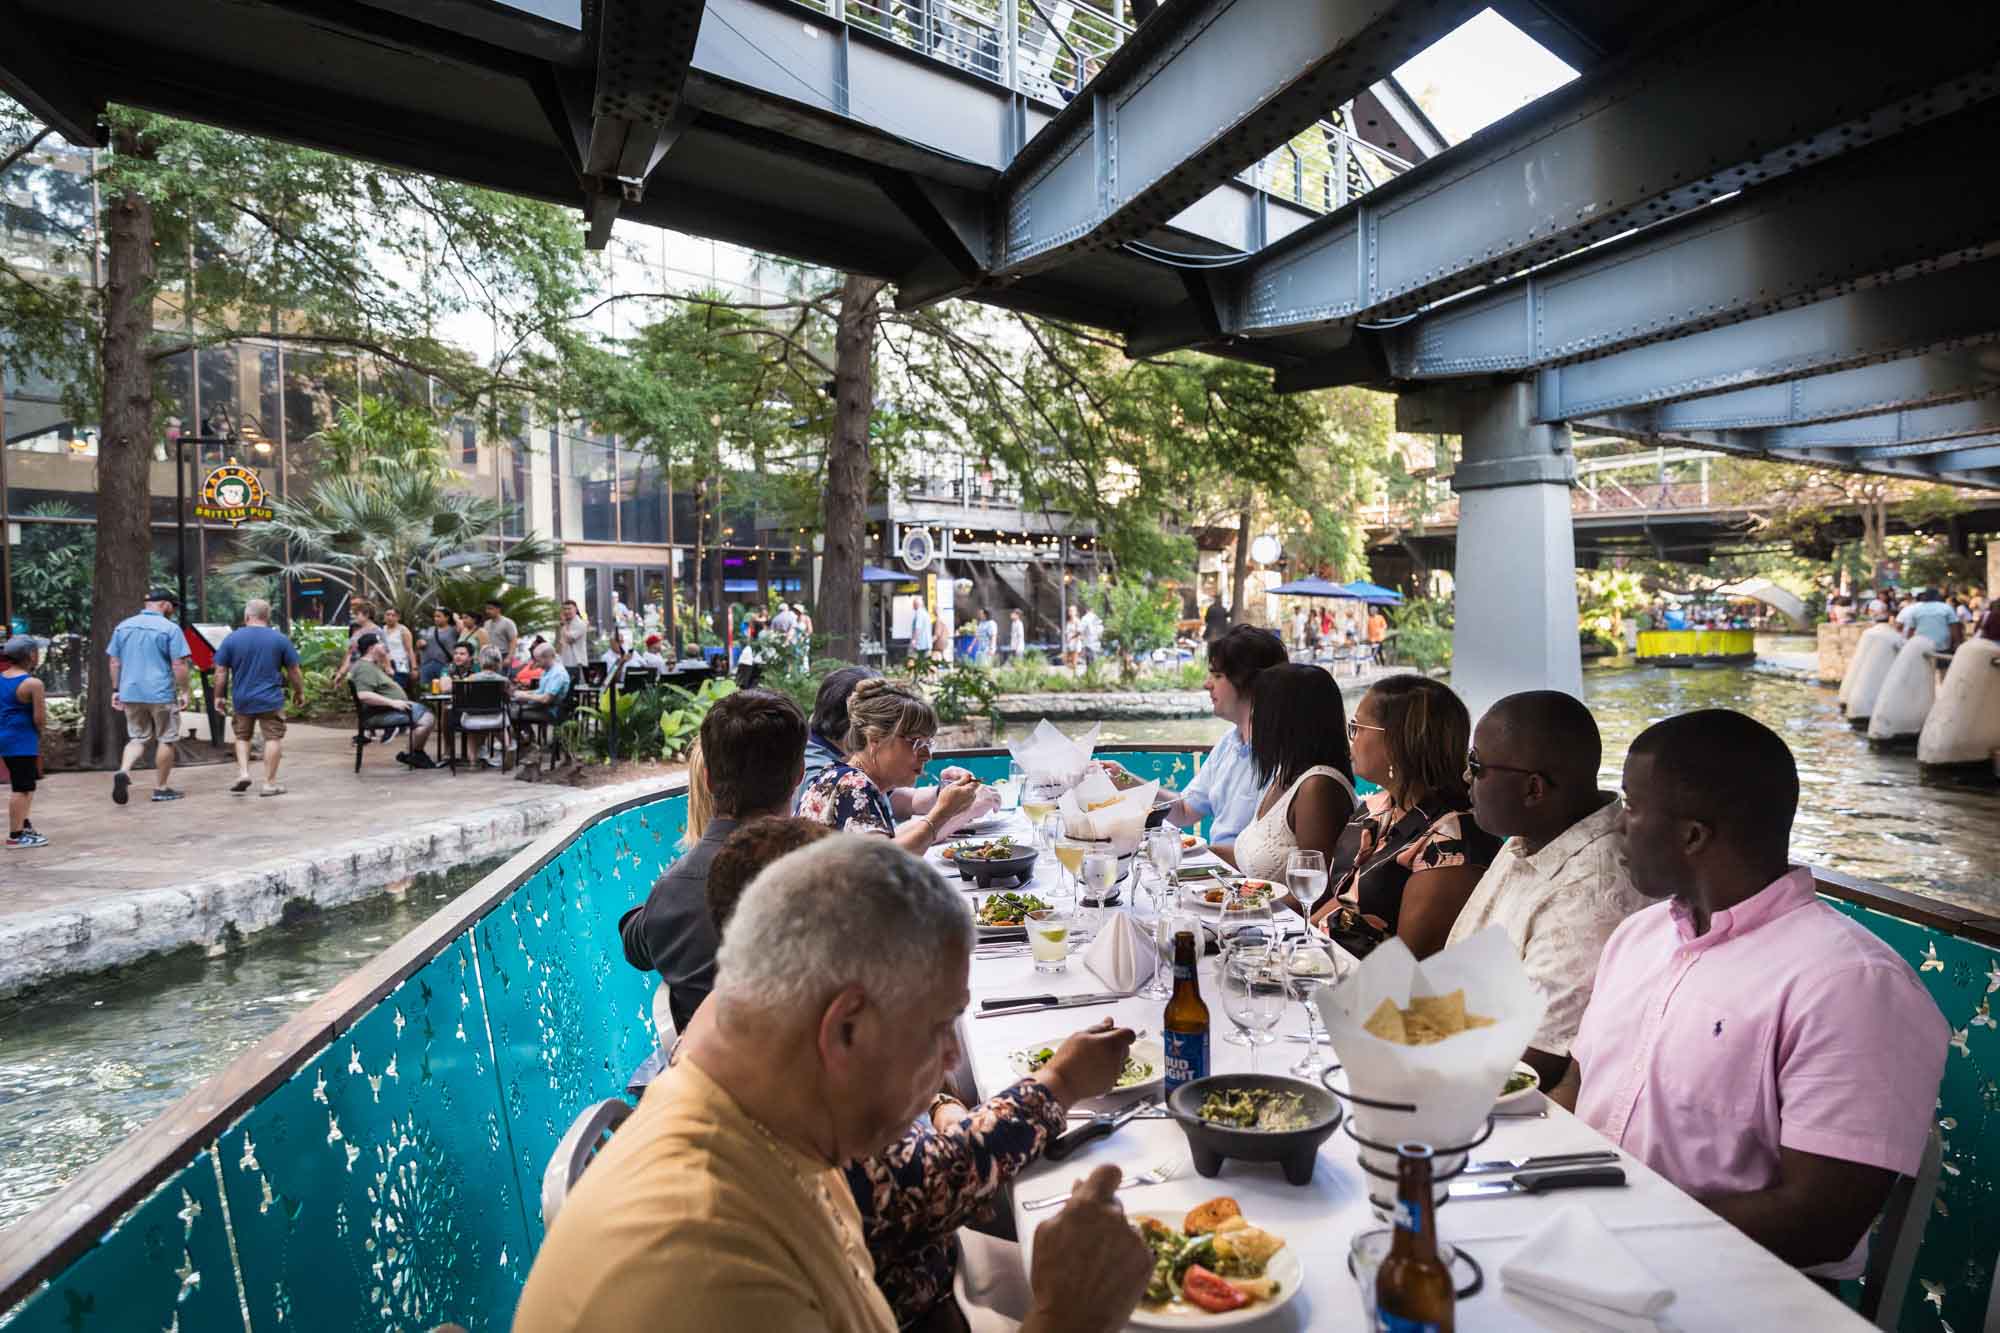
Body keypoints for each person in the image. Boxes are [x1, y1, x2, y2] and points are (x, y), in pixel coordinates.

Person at [519, 836, 1153, 1333]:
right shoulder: (702, 1267)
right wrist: (1068, 1319)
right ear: (845, 1028)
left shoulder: (769, 1110)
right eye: (938, 1028)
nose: (953, 1055)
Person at [698, 818, 1139, 1332]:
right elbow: (922, 1182)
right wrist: (1065, 1315)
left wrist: (933, 1103)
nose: (952, 1055)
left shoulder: (746, 1029)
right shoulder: (748, 1208)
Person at [1558, 710, 1947, 1278]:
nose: (1617, 824)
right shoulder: (1638, 938)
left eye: (1632, 805)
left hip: (1735, 1288)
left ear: (1692, 835)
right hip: (1582, 1245)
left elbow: (1819, 1221)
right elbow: (1576, 1084)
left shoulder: (1849, 985)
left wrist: (1624, 1226)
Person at [1447, 690, 1646, 1089]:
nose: (1466, 776)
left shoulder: (1596, 888)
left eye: (1476, 764)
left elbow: (1529, 1059)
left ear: (1534, 790)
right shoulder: (1531, 837)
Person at [619, 689, 809, 1033]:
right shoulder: (832, 879)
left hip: (714, 1076)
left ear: (706, 779)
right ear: (799, 776)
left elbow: (634, 946)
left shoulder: (670, 893)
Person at [1306, 675, 1499, 957]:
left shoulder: (1453, 840)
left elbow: (1408, 965)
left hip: (1371, 991)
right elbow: (1344, 898)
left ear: (1396, 742)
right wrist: (1292, 943)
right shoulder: (1380, 806)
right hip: (1323, 965)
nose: (1351, 738)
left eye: (1357, 727)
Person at [797, 678, 981, 853]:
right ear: (875, 738)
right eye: (915, 742)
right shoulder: (851, 785)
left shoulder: (845, 778)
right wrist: (943, 812)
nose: (927, 755)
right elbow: (887, 864)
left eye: (928, 744)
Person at [1158, 624, 1288, 851]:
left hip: (1255, 882)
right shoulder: (1230, 743)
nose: (1207, 684)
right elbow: (1185, 812)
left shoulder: (1287, 755)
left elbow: (1270, 856)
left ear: (1249, 684)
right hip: (1218, 875)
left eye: (1217, 676)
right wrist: (1125, 780)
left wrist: (1202, 853)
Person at [1221, 663, 1356, 881]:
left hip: (1277, 915)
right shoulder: (1286, 773)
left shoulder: (1317, 788)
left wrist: (1243, 905)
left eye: (1259, 709)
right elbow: (1257, 862)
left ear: (1285, 720)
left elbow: (1317, 891)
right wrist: (1197, 853)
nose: (1254, 718)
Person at [106, 589, 193, 805]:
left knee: (137, 737)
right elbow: (178, 664)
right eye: (173, 606)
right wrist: (184, 691)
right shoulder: (170, 628)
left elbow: (114, 662)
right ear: (164, 604)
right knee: (166, 738)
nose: (173, 611)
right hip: (160, 692)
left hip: (131, 691)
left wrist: (116, 690)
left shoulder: (123, 626)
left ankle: (124, 771)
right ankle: (161, 788)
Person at [212, 599, 306, 797]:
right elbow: (294, 670)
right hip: (270, 698)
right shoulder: (279, 639)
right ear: (267, 617)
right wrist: (299, 692)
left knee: (242, 736)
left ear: (247, 616)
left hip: (242, 698)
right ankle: (269, 784)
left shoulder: (232, 639)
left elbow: (220, 671)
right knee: (273, 737)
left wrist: (218, 696)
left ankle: (244, 773)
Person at [348, 631, 437, 766]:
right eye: (380, 643)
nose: (384, 645)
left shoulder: (372, 665)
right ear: (371, 648)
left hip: (386, 711)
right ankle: (414, 754)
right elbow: (364, 695)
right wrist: (393, 702)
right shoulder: (364, 668)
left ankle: (413, 754)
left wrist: (386, 666)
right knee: (427, 718)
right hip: (379, 715)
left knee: (426, 714)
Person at [1, 636, 48, 848]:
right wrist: (40, 732)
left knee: (27, 785)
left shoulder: (1, 678)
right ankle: (16, 835)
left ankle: (24, 824)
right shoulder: (32, 683)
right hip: (22, 739)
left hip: (6, 737)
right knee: (21, 788)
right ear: (30, 655)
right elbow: (39, 718)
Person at [512, 642, 571, 730]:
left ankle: (527, 739)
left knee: (512, 713)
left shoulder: (558, 674)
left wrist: (524, 696)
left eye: (538, 661)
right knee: (512, 708)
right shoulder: (548, 670)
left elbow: (546, 699)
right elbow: (541, 691)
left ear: (548, 658)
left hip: (550, 711)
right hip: (542, 707)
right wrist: (522, 693)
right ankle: (528, 739)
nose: (536, 664)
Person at [330, 597, 380, 684]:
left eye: (357, 614)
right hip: (354, 673)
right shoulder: (355, 631)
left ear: (367, 615)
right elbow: (349, 654)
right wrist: (341, 673)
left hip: (371, 673)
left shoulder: (378, 632)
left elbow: (384, 654)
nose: (355, 616)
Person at [1896, 587, 1955, 652]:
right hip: (1942, 646)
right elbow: (1955, 627)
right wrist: (1956, 643)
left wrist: (1908, 644)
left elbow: (1907, 629)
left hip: (1921, 647)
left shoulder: (1913, 609)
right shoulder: (1946, 607)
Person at [379, 606, 417, 693]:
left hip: (401, 663)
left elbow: (410, 649)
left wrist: (414, 668)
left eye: (393, 615)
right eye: (388, 615)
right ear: (384, 616)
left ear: (398, 617)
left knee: (400, 688)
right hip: (386, 664)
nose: (390, 617)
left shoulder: (403, 630)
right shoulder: (381, 630)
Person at [418, 607, 458, 686]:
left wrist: (455, 617)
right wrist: (420, 643)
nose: (436, 619)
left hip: (444, 665)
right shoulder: (430, 629)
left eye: (439, 616)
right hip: (427, 664)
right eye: (435, 616)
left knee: (444, 689)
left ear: (447, 617)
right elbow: (420, 643)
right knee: (425, 689)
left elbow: (463, 628)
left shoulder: (453, 630)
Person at [483, 599, 519, 666]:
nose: (487, 611)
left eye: (490, 609)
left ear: (498, 609)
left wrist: (509, 658)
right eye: (486, 609)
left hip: (503, 656)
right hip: (490, 656)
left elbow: (513, 641)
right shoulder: (486, 623)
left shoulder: (508, 623)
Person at [557, 599, 590, 670]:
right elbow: (562, 642)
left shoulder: (581, 624)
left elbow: (569, 639)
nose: (566, 611)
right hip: (565, 663)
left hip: (576, 663)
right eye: (564, 609)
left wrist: (563, 625)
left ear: (575, 609)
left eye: (569, 609)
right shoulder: (567, 624)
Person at [909, 596, 933, 664]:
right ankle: (932, 674)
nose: (912, 605)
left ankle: (910, 674)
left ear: (916, 604)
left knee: (911, 659)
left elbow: (918, 628)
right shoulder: (926, 613)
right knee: (928, 662)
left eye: (913, 603)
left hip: (919, 643)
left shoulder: (919, 613)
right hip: (928, 642)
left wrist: (914, 640)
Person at [1063, 604, 1083, 671]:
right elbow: (1067, 632)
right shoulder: (1068, 622)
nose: (1070, 612)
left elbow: (1079, 632)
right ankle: (1073, 672)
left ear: (1075, 612)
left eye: (1072, 611)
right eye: (1069, 611)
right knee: (1065, 660)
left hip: (1075, 643)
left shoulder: (1077, 621)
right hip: (1069, 643)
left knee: (1074, 662)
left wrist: (1074, 640)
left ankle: (1074, 675)